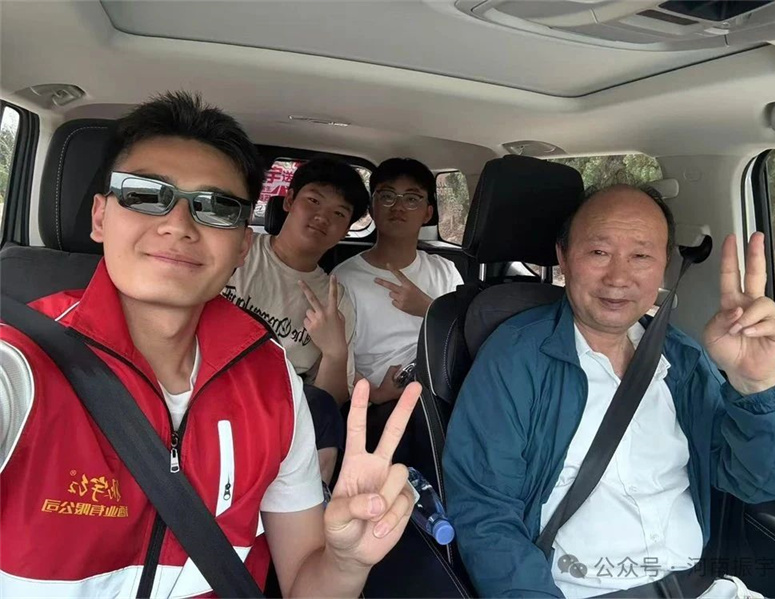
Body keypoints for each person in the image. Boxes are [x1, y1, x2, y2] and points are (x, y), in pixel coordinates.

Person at [0, 92, 419, 597]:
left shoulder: (275, 385)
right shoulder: (20, 363)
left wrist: (347, 563)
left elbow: (307, 586)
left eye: (215, 207)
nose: (178, 225)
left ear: (240, 243)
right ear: (100, 216)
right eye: (145, 193)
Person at [443, 184, 775, 598]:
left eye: (641, 256)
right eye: (599, 252)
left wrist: (755, 384)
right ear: (564, 257)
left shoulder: (681, 358)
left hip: (700, 586)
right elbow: (486, 514)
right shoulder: (515, 357)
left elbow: (759, 483)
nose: (618, 278)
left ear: (664, 265)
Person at [224, 157, 369, 483]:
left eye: (339, 214)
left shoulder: (335, 300)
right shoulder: (238, 250)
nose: (322, 217)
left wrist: (334, 352)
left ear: (347, 229)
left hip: (276, 411)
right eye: (313, 201)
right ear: (289, 200)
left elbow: (327, 403)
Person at [333, 158, 463, 404]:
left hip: (442, 388)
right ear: (372, 208)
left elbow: (465, 336)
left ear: (427, 213)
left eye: (412, 199)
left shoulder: (445, 270)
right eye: (387, 196)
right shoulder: (344, 278)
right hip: (381, 401)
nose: (398, 206)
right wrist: (375, 394)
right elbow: (337, 358)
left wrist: (429, 308)